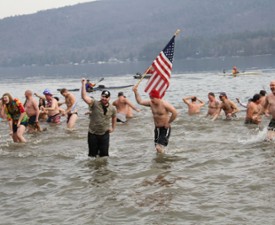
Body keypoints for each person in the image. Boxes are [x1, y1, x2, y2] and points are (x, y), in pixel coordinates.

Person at [132, 86, 178, 153]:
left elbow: (175, 112)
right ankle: (162, 161)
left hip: (165, 128)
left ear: (157, 97)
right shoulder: (151, 103)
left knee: (158, 147)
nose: (151, 100)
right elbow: (140, 102)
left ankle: (162, 161)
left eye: (153, 98)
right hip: (157, 128)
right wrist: (135, 92)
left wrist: (168, 122)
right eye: (150, 98)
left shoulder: (164, 104)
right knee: (157, 148)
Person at [81, 78, 116, 157]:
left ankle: (103, 169)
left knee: (104, 156)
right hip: (93, 133)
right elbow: (84, 97)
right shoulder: (94, 103)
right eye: (103, 96)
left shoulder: (112, 108)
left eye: (106, 97)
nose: (104, 98)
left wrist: (113, 128)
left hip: (104, 134)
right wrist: (83, 84)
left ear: (109, 98)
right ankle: (93, 169)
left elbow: (114, 117)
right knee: (92, 156)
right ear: (101, 96)